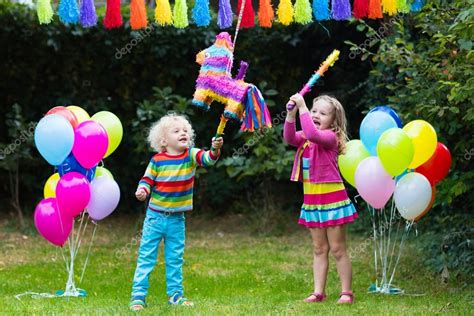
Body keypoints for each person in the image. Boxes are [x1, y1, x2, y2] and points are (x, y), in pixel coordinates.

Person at [129, 113, 224, 311]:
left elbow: (208, 159)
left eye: (185, 131)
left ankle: (175, 295)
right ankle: (138, 296)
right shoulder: (157, 160)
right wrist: (143, 191)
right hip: (155, 218)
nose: (183, 133)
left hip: (177, 220)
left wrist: (215, 149)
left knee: (174, 259)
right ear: (164, 140)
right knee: (146, 257)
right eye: (177, 131)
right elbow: (147, 180)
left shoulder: (190, 155)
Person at [283, 94, 358, 304]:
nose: (316, 115)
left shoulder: (329, 138)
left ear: (333, 121)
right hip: (313, 202)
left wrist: (303, 107)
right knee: (319, 248)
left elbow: (311, 132)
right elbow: (289, 138)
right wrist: (291, 114)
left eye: (322, 113)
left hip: (333, 202)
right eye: (314, 111)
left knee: (337, 248)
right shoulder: (307, 138)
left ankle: (346, 292)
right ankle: (318, 292)